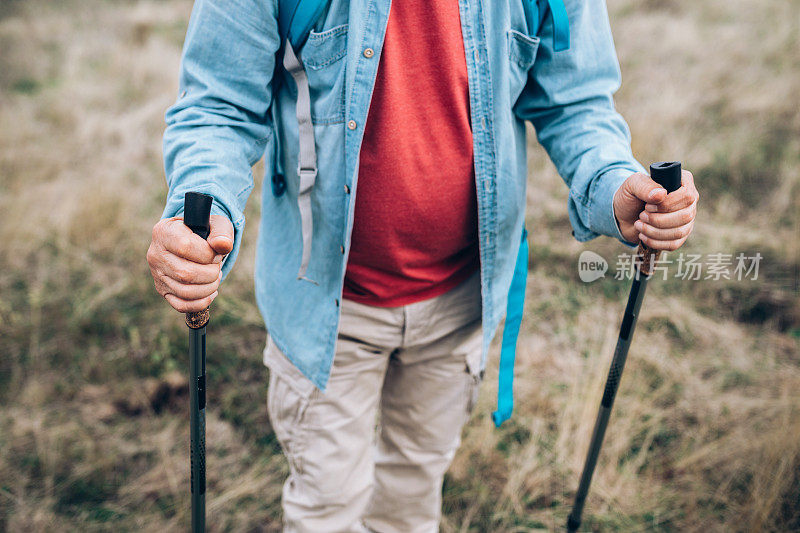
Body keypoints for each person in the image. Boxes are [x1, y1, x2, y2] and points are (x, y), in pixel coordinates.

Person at [146, 0, 699, 530]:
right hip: (325, 312)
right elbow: (218, 107)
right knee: (326, 509)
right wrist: (205, 204)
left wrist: (615, 187)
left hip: (462, 300)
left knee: (411, 499)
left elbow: (575, 103)